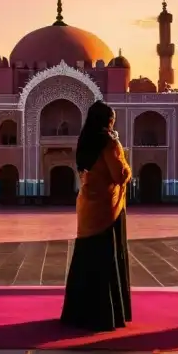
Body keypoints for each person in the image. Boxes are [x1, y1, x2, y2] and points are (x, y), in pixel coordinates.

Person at [60, 100, 133, 331]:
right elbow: (120, 175)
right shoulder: (109, 143)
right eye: (111, 121)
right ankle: (104, 314)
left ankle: (79, 313)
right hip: (106, 209)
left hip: (87, 206)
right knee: (105, 260)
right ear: (105, 122)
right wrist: (120, 147)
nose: (112, 125)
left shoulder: (84, 143)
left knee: (85, 258)